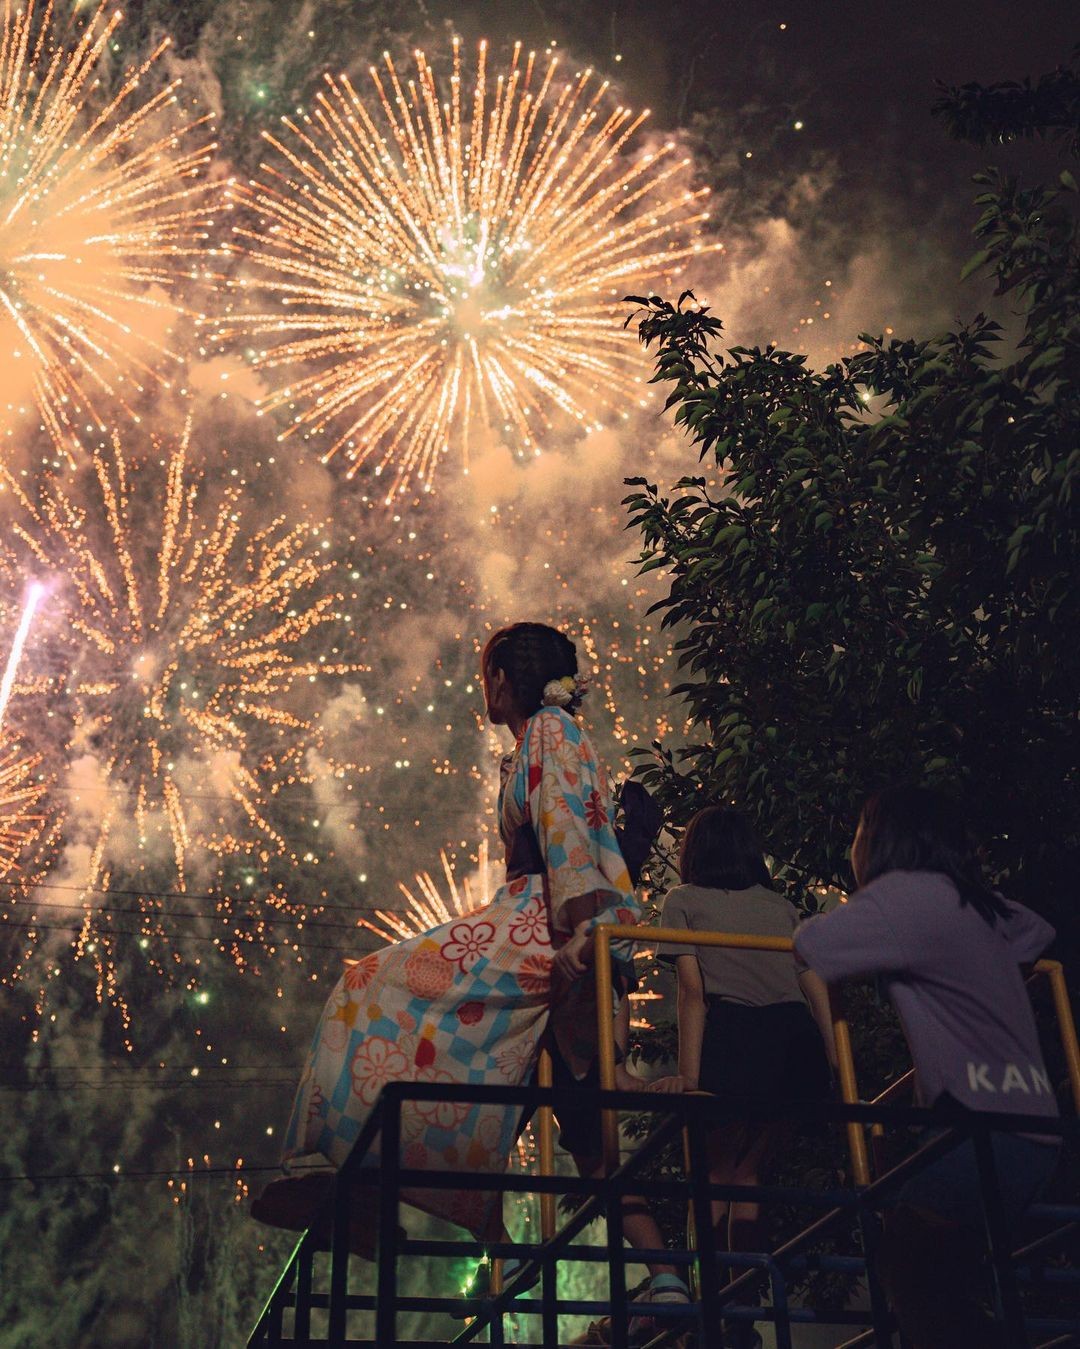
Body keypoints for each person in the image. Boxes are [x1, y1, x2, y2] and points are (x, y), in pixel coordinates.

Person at [253, 623, 678, 1315]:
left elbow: (567, 832)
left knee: (365, 987)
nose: (485, 688)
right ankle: (661, 1276)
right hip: (552, 928)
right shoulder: (541, 739)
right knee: (579, 1134)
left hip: (541, 927)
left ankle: (345, 1176)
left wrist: (580, 931)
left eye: (487, 676)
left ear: (503, 680)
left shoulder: (549, 731)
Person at [793, 786, 1060, 1349]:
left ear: (881, 841)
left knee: (907, 1266)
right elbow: (1037, 931)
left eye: (858, 833)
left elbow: (814, 944)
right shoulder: (977, 903)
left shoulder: (904, 896)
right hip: (1038, 1128)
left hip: (975, 1126)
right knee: (948, 1280)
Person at [650, 806, 835, 1349]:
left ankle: (710, 1311)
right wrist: (836, 1065)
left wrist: (690, 1079)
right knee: (749, 1174)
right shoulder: (781, 907)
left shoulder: (682, 900)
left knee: (710, 1178)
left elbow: (693, 992)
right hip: (797, 1043)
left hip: (737, 1037)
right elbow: (814, 986)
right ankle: (744, 1313)